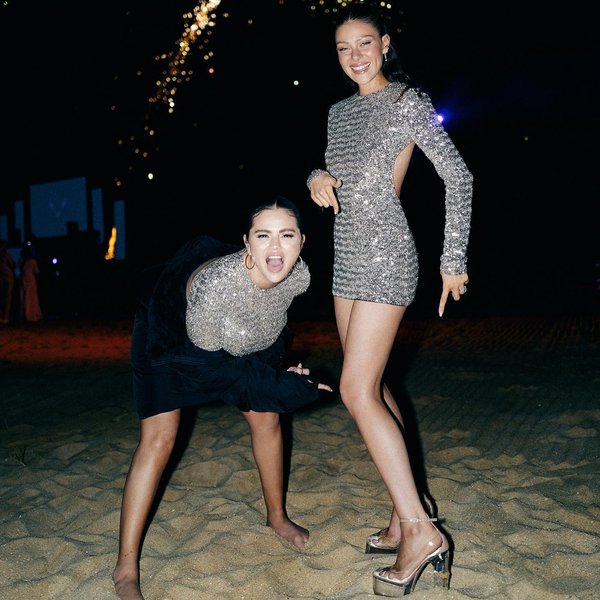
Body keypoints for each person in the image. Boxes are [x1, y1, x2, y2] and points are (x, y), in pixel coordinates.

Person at [306, 5, 473, 597]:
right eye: (343, 47)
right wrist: (316, 178)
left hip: (387, 255)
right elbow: (338, 173)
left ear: (384, 44)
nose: (354, 56)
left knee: (355, 391)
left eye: (364, 43)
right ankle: (409, 506)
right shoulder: (337, 112)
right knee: (371, 388)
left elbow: (459, 176)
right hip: (345, 258)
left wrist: (453, 258)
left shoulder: (406, 101)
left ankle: (421, 531)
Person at [112, 196, 332, 600]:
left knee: (266, 418)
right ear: (246, 242)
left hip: (247, 333)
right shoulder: (216, 287)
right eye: (263, 236)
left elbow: (262, 334)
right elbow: (212, 367)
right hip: (175, 334)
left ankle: (277, 518)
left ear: (302, 241)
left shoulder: (299, 277)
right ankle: (125, 567)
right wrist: (276, 386)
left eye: (286, 236)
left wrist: (277, 380)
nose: (275, 248)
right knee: (160, 438)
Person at [19, 242, 43, 322]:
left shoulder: (22, 261)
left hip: (24, 279)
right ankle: (31, 314)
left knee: (25, 296)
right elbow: (36, 271)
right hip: (30, 279)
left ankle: (26, 314)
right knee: (31, 296)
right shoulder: (32, 261)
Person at [0, 240, 17, 324]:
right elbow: (13, 264)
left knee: (7, 297)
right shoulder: (5, 255)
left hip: (7, 277)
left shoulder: (6, 255)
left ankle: (5, 317)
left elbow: (13, 264)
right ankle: (3, 316)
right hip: (3, 277)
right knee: (4, 297)